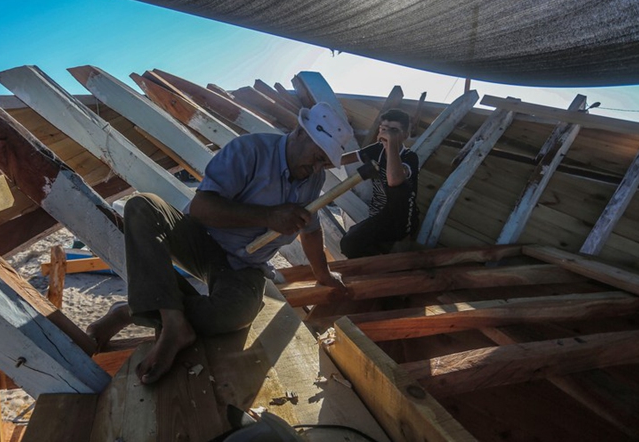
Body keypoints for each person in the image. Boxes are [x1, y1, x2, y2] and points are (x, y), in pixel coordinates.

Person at [87, 102, 353, 384]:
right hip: (202, 241)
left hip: (245, 264)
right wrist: (267, 216)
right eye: (316, 157)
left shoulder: (314, 178)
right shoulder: (249, 151)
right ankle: (174, 322)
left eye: (323, 162)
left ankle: (132, 310)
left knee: (234, 315)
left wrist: (323, 274)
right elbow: (202, 208)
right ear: (301, 132)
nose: (316, 168)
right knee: (141, 206)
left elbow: (310, 230)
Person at [339, 109, 419, 258]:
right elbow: (343, 159)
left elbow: (394, 180)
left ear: (405, 135)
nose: (387, 134)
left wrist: (392, 145)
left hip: (400, 219)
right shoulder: (377, 150)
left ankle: (395, 248)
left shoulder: (410, 157)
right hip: (379, 215)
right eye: (383, 129)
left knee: (400, 188)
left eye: (394, 130)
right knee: (348, 243)